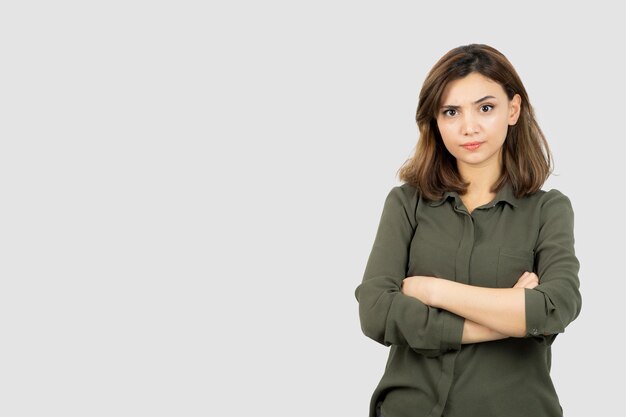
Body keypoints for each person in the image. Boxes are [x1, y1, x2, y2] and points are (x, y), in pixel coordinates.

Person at [354, 43, 582, 417]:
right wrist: (507, 319)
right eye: (451, 111)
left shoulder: (548, 209)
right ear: (436, 120)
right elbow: (376, 311)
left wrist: (431, 289)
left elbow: (556, 306)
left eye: (486, 107)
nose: (469, 127)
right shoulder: (405, 204)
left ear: (513, 109)